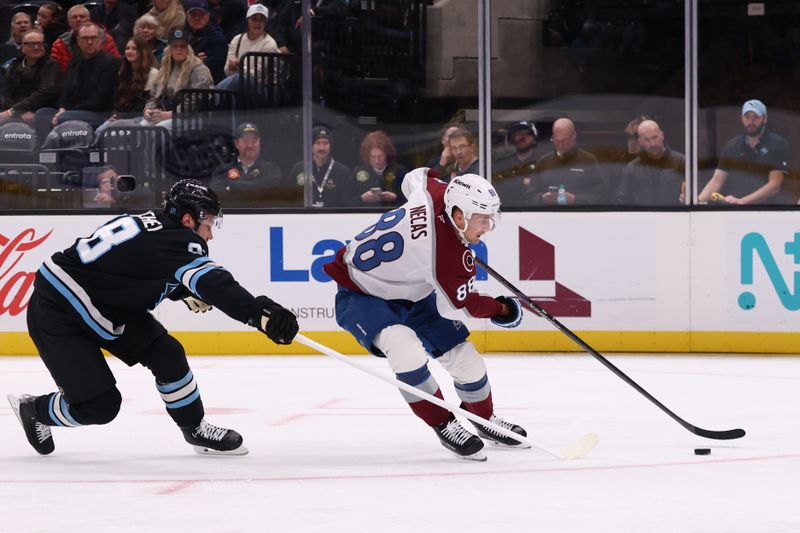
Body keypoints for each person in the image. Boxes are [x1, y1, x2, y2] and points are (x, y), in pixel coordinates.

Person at [7, 179, 299, 456]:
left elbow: (133, 268)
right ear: (188, 220)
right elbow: (214, 282)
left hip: (105, 306)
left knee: (168, 354)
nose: (210, 234)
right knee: (100, 406)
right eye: (208, 223)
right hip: (58, 311)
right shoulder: (177, 240)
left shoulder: (154, 227)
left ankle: (194, 429)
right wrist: (259, 313)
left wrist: (180, 291)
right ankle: (35, 410)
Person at [323, 168, 526, 461]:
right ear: (459, 216)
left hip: (411, 290)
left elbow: (416, 175)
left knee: (465, 358)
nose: (489, 226)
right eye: (483, 219)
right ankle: (444, 423)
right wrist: (503, 309)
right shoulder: (444, 257)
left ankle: (483, 419)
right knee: (405, 348)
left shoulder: (435, 192)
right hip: (362, 294)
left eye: (491, 218)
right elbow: (463, 305)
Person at [34, 23, 120, 142]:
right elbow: (66, 90)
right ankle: (45, 154)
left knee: (65, 117)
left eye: (93, 38)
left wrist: (67, 111)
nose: (89, 42)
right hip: (72, 110)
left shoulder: (111, 63)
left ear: (100, 40)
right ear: (78, 41)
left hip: (99, 112)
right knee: (42, 114)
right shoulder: (76, 60)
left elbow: (99, 99)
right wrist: (62, 108)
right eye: (85, 38)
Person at [698, 99, 791, 205]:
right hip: (737, 213)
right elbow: (716, 181)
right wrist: (697, 202)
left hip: (769, 212)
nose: (751, 122)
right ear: (742, 119)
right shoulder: (731, 146)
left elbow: (774, 186)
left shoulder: (778, 143)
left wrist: (742, 201)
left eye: (756, 117)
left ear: (765, 119)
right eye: (747, 117)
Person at [140, 27, 213, 130]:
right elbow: (153, 96)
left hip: (193, 118)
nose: (179, 49)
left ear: (188, 49)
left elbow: (196, 99)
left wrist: (172, 114)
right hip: (165, 114)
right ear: (170, 49)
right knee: (142, 127)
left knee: (161, 128)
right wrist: (149, 110)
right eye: (175, 46)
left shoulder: (199, 69)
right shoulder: (165, 69)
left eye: (183, 46)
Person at [526, 117, 606, 205]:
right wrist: (541, 199)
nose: (560, 145)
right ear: (552, 137)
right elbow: (530, 196)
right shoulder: (543, 162)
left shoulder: (589, 160)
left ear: (574, 136)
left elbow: (602, 196)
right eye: (557, 140)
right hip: (549, 216)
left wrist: (576, 199)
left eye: (564, 141)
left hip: (579, 215)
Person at [94, 36, 159, 139]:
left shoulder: (153, 74)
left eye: (134, 49)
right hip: (121, 116)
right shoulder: (122, 72)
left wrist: (121, 118)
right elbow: (117, 99)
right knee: (99, 132)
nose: (129, 51)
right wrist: (116, 116)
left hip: (140, 116)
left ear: (143, 52)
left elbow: (147, 103)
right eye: (127, 48)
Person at [211, 122, 284, 207]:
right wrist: (254, 188)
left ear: (259, 142)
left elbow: (270, 191)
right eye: (245, 141)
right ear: (237, 143)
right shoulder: (223, 170)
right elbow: (216, 196)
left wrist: (232, 187)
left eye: (254, 141)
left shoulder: (271, 169)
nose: (250, 145)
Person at [617, 119, 685, 206]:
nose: (652, 144)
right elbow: (623, 201)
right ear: (640, 142)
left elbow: (697, 194)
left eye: (655, 137)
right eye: (646, 140)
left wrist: (686, 201)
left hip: (675, 217)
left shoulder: (682, 162)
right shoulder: (632, 168)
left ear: (662, 135)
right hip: (642, 218)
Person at [0, 29, 62, 125]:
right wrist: (17, 111)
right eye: (32, 44)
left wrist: (14, 111)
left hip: (41, 108)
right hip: (17, 109)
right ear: (23, 46)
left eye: (40, 43)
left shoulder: (51, 65)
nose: (36, 47)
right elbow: (6, 93)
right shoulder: (15, 65)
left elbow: (45, 93)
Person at [215, 3, 279, 92]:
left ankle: (213, 95)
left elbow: (258, 75)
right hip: (241, 85)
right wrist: (231, 67)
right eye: (254, 19)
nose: (257, 23)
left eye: (261, 20)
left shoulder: (269, 44)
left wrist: (239, 67)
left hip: (265, 89)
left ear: (265, 23)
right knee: (233, 92)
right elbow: (227, 71)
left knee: (238, 78)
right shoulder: (237, 39)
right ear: (247, 20)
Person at [287, 124, 351, 207]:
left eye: (325, 143)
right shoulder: (298, 169)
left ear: (331, 146)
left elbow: (347, 202)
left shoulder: (343, 172)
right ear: (310, 146)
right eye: (317, 143)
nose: (322, 148)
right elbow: (289, 200)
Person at [50, 5, 120, 72]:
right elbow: (56, 73)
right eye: (74, 17)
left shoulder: (106, 39)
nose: (78, 19)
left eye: (82, 16)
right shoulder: (59, 44)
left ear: (89, 20)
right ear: (69, 22)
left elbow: (115, 65)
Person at [350, 130, 408, 207]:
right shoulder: (357, 172)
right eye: (373, 157)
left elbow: (412, 200)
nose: (377, 161)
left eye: (380, 156)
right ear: (367, 156)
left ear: (387, 154)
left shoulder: (400, 172)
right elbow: (345, 202)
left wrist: (395, 198)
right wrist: (362, 199)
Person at [492, 120, 541, 207]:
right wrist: (523, 181)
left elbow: (544, 185)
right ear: (512, 139)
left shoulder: (543, 162)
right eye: (518, 134)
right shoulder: (502, 164)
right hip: (507, 211)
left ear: (534, 139)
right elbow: (500, 186)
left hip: (537, 211)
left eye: (527, 134)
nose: (522, 138)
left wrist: (514, 181)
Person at [182, 0, 227, 83]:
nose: (197, 18)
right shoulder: (181, 33)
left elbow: (209, 65)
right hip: (183, 80)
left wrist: (187, 59)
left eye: (201, 14)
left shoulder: (217, 37)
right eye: (193, 14)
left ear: (208, 15)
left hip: (212, 85)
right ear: (187, 15)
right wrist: (194, 59)